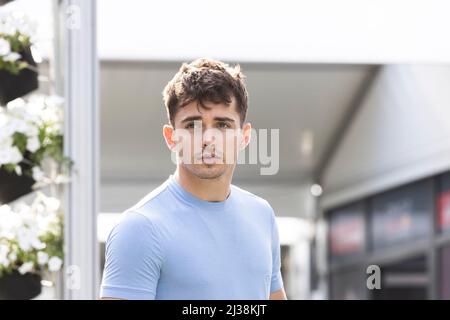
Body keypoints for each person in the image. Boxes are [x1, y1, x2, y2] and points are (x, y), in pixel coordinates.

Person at [100, 58, 286, 300]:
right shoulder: (140, 228)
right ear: (171, 137)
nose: (208, 138)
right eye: (192, 126)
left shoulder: (262, 215)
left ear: (244, 136)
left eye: (222, 124)